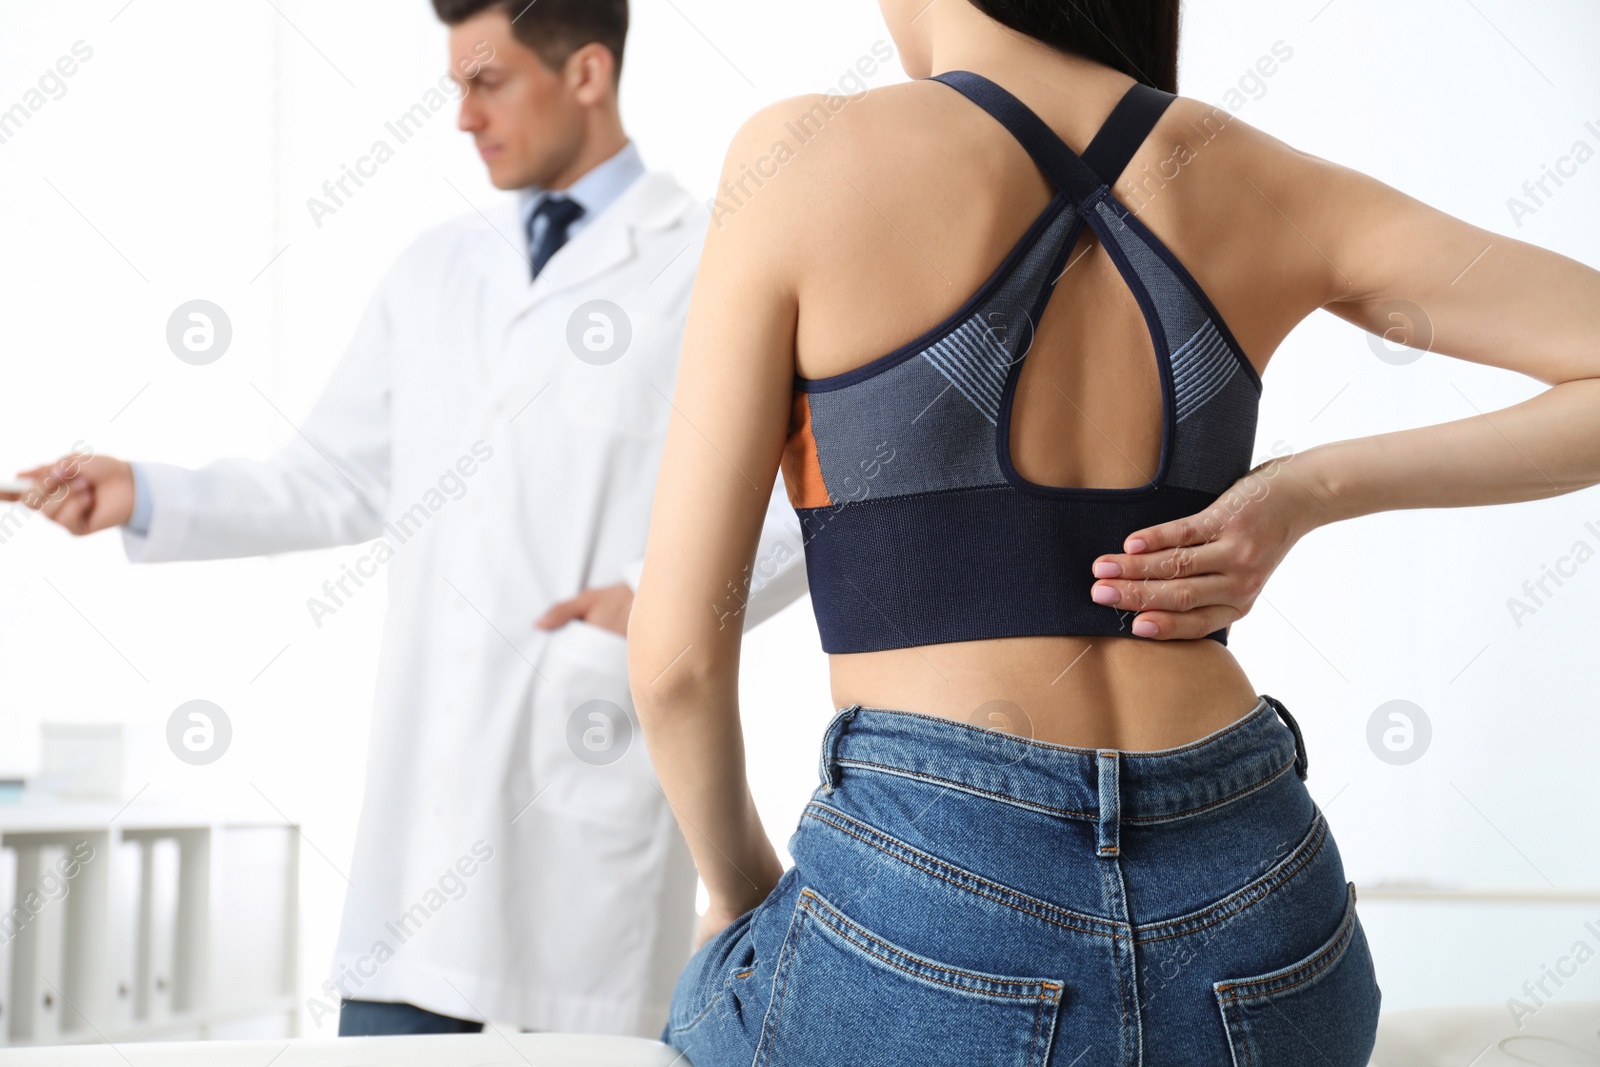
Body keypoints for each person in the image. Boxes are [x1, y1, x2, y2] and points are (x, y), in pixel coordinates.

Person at [625, 0, 1600, 1063]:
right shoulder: (1258, 177)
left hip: (926, 897)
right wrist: (1306, 491)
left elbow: (672, 659)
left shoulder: (802, 155)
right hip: (1263, 908)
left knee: (714, 990)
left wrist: (744, 894)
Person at [2, 0, 806, 1040]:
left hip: (583, 828)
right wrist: (146, 492)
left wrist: (660, 602)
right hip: (414, 858)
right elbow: (335, 475)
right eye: (454, 89)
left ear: (587, 74)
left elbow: (809, 500)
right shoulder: (434, 270)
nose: (463, 118)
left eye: (488, 82)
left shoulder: (705, 260)